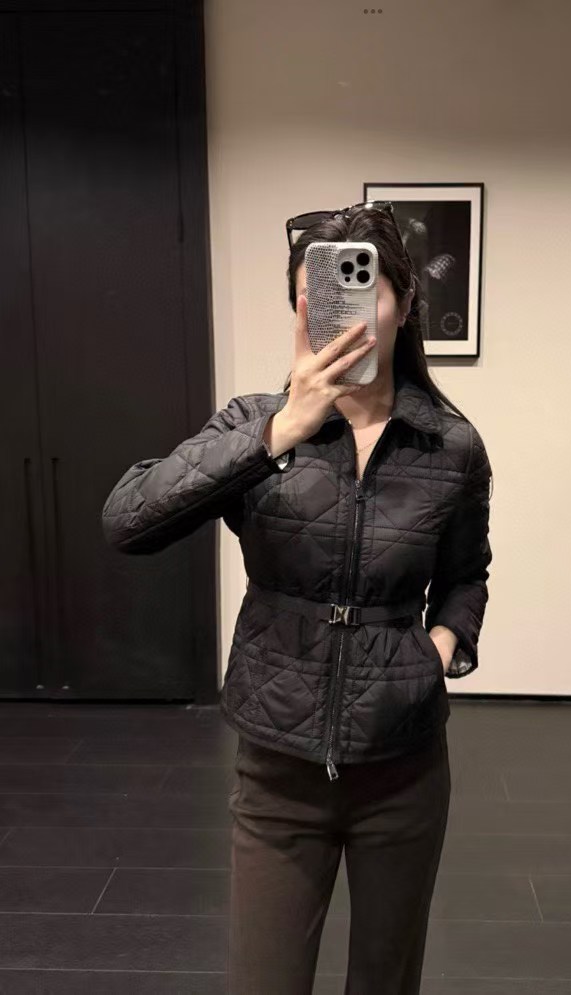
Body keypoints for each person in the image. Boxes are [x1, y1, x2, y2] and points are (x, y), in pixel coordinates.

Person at [101, 201, 492, 994]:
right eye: (317, 298)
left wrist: (441, 648)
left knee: (386, 980)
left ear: (404, 303)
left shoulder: (450, 445)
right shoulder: (254, 425)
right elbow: (126, 519)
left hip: (404, 766)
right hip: (278, 772)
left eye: (365, 289)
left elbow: (465, 574)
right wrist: (279, 432)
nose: (341, 315)